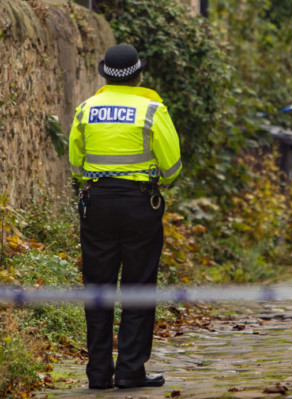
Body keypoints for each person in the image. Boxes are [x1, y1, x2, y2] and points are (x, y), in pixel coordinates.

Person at [68, 44, 182, 390]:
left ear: (104, 74)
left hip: (97, 205)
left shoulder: (86, 109)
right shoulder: (151, 109)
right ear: (138, 74)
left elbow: (75, 165)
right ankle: (131, 369)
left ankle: (99, 373)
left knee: (98, 289)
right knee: (138, 287)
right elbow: (173, 167)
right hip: (139, 207)